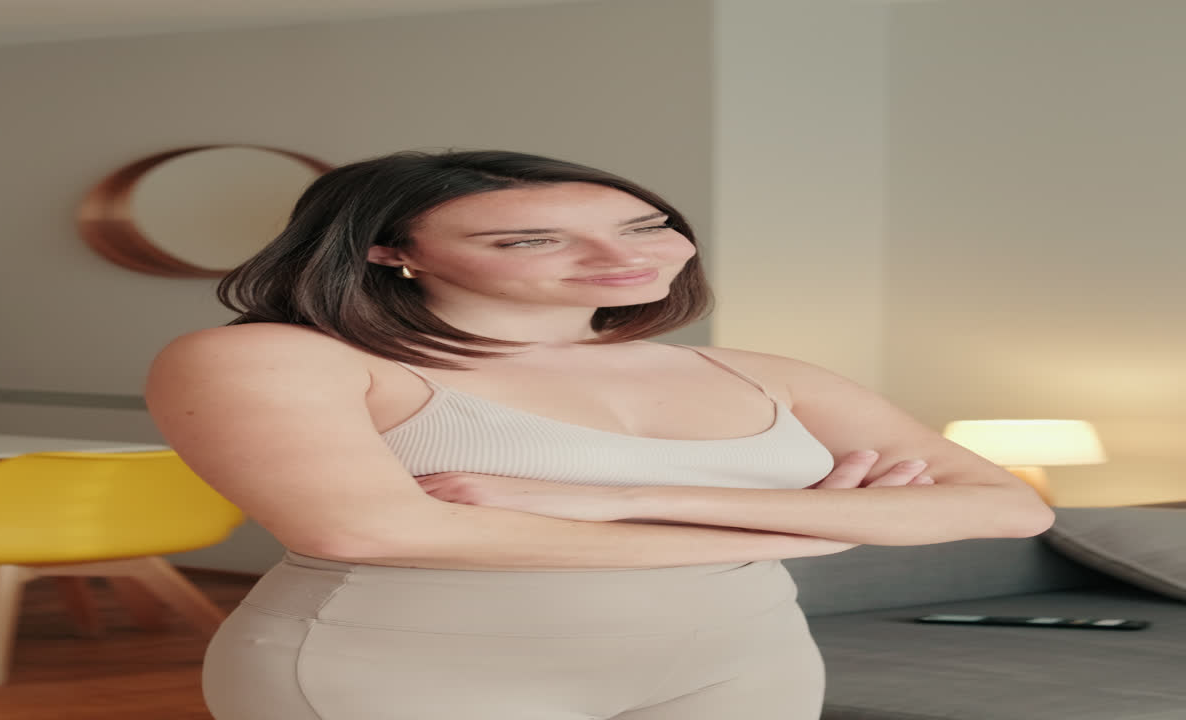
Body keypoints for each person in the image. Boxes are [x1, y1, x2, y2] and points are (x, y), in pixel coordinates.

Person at [143, 149, 1054, 720]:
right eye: (532, 240)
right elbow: (367, 530)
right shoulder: (277, 358)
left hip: (741, 662)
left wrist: (624, 501)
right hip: (408, 670)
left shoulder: (757, 370)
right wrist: (809, 526)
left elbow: (1011, 507)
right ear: (391, 251)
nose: (626, 258)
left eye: (645, 224)